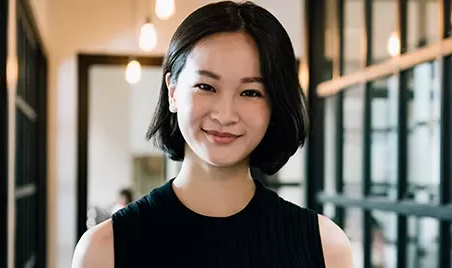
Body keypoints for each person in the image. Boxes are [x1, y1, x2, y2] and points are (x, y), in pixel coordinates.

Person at [71, 1, 353, 267]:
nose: (225, 114)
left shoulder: (326, 248)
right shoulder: (104, 250)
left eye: (251, 92)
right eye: (206, 86)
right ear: (172, 91)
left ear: (274, 106)